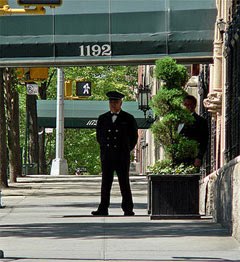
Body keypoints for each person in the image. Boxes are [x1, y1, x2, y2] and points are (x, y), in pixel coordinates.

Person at [92, 91, 138, 216]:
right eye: (111, 102)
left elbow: (134, 137)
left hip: (122, 156)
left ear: (121, 103)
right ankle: (103, 208)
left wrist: (125, 149)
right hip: (107, 155)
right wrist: (104, 149)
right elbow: (99, 136)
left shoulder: (128, 118)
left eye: (116, 102)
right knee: (106, 182)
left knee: (124, 182)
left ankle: (128, 208)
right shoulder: (103, 118)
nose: (113, 104)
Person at [179, 95, 209, 169]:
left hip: (192, 158)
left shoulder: (200, 121)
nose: (186, 107)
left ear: (194, 106)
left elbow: (203, 141)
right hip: (179, 157)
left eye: (189, 105)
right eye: (185, 105)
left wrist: (199, 157)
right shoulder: (178, 121)